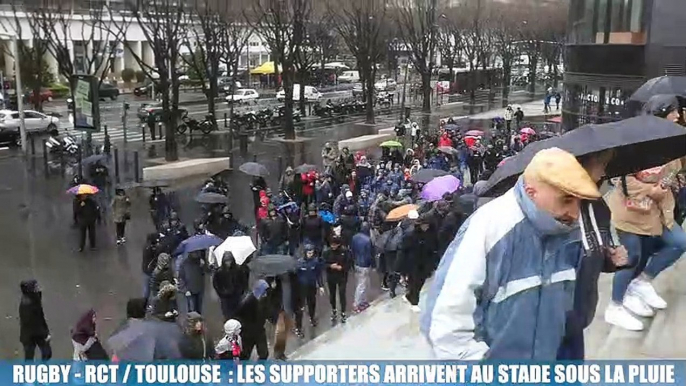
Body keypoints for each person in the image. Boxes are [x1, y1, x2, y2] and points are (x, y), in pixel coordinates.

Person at [421, 147, 601, 359]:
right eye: (566, 200)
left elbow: (572, 312)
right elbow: (446, 323)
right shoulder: (489, 228)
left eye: (580, 201)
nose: (575, 213)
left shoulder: (571, 230)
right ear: (532, 191)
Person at [603, 98, 686, 331]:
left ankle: (642, 282)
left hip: (660, 211)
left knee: (679, 243)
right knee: (632, 257)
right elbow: (620, 179)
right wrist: (651, 190)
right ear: (662, 114)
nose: (678, 116)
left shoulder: (672, 140)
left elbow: (676, 168)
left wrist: (664, 185)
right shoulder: (633, 142)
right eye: (675, 112)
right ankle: (615, 305)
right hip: (631, 212)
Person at [557, 150, 629, 359]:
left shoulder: (597, 204)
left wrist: (611, 259)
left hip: (581, 313)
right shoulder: (554, 207)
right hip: (553, 319)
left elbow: (597, 247)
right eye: (600, 164)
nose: (603, 171)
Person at [235, 280, 270, 360]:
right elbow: (238, 314)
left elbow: (266, 311)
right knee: (245, 355)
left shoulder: (263, 300)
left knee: (264, 353)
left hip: (259, 330)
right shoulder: (248, 301)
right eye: (264, 291)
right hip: (248, 332)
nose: (265, 294)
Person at [295, 244, 324, 336]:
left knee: (312, 303)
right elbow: (295, 275)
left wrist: (321, 286)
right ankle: (298, 327)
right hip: (301, 288)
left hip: (311, 286)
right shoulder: (299, 263)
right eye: (309, 253)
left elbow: (318, 274)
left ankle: (312, 318)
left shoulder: (315, 262)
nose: (310, 254)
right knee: (300, 308)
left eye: (312, 253)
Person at [19, 279, 51, 360]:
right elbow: (36, 321)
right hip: (33, 334)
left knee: (31, 356)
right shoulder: (29, 305)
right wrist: (45, 334)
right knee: (44, 353)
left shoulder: (33, 298)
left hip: (29, 334)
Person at [323, 236, 352, 323]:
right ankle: (334, 309)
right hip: (331, 276)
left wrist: (342, 268)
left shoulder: (345, 251)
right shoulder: (327, 252)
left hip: (342, 276)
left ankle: (343, 312)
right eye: (332, 245)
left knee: (342, 293)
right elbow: (323, 263)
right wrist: (330, 266)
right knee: (332, 294)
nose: (333, 246)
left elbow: (349, 263)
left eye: (335, 245)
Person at [213, 252, 249, 321]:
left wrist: (240, 291)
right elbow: (216, 284)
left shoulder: (238, 269)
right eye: (226, 261)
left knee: (237, 313)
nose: (228, 263)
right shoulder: (219, 271)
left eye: (229, 261)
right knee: (227, 314)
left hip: (236, 296)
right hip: (225, 297)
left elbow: (243, 281)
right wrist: (221, 293)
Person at [351, 223, 375, 313]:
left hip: (356, 263)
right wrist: (373, 265)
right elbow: (370, 255)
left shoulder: (355, 237)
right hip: (364, 264)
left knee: (362, 283)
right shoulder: (368, 240)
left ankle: (363, 301)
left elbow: (352, 250)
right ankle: (356, 303)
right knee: (362, 285)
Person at [178, 249, 209, 314]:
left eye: (197, 252)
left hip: (199, 288)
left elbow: (206, 272)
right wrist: (185, 289)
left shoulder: (200, 262)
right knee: (191, 309)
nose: (197, 254)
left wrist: (204, 265)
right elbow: (181, 277)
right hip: (189, 289)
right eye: (195, 252)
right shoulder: (184, 263)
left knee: (199, 309)